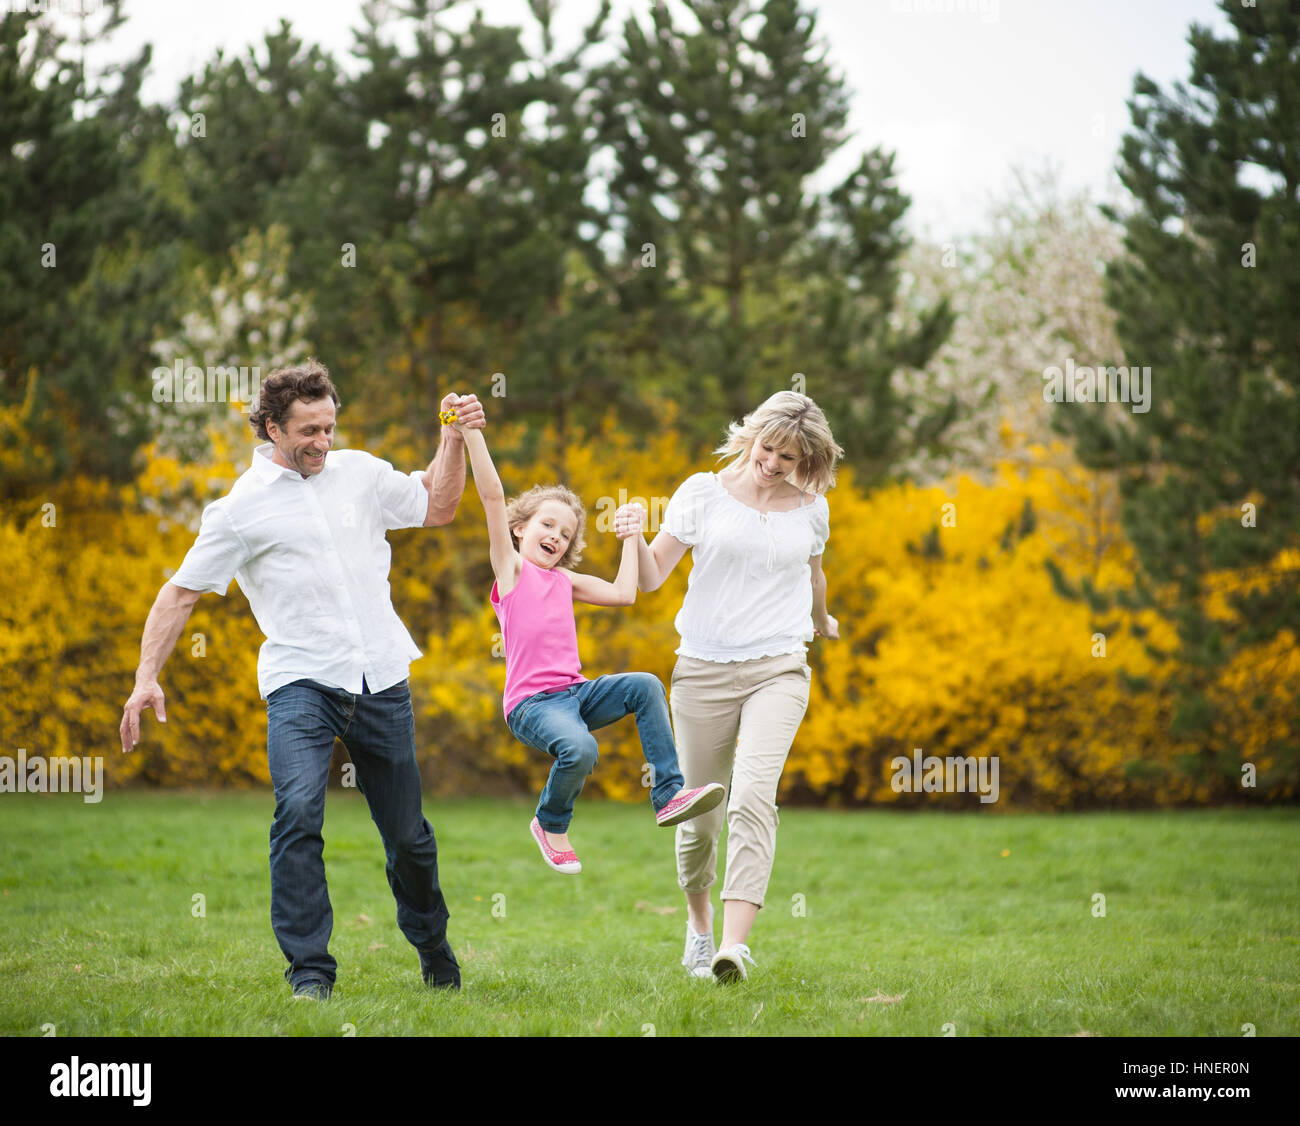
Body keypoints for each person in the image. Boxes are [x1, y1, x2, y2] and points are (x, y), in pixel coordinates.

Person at [119, 360, 480, 1001]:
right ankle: (310, 972)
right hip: (301, 684)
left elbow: (440, 505)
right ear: (271, 428)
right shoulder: (237, 512)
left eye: (329, 427)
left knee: (408, 836)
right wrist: (147, 677)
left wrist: (450, 440)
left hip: (381, 676)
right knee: (298, 814)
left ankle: (433, 948)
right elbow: (178, 595)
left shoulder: (361, 473)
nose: (323, 441)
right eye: (309, 430)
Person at [630, 390, 843, 982]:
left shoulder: (812, 508)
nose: (772, 462)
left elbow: (814, 573)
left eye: (788, 456)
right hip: (701, 670)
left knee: (754, 796)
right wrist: (632, 538)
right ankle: (699, 930)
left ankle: (734, 946)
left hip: (779, 666)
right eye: (768, 448)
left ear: (808, 459)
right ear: (751, 436)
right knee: (700, 817)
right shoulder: (702, 493)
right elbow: (652, 578)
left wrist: (822, 621)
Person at [454, 420, 724, 874]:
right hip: (533, 705)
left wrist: (630, 538)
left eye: (565, 534)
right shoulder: (511, 570)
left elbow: (625, 593)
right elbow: (492, 496)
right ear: (519, 529)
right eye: (547, 525)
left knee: (644, 685)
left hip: (575, 695)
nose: (556, 537)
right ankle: (550, 823)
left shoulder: (565, 580)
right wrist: (472, 432)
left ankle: (668, 795)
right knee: (580, 749)